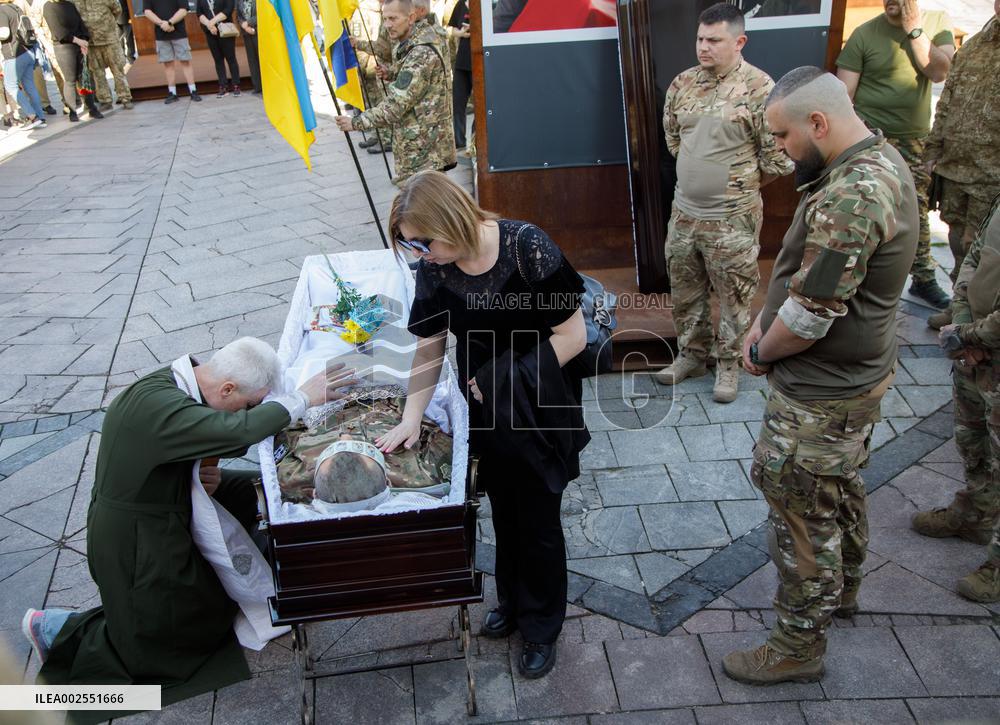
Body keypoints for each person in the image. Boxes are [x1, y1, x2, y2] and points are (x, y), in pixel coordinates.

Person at [20, 338, 358, 722]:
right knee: (163, 647)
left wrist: (203, 470)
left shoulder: (180, 382)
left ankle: (77, 625)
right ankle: (56, 629)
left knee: (247, 508)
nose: (251, 411)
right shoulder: (158, 406)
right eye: (250, 404)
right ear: (227, 388)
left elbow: (215, 434)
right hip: (136, 538)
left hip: (162, 507)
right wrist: (300, 398)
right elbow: (235, 432)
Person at [723, 67, 919, 685]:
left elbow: (811, 314)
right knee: (836, 487)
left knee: (801, 511)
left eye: (782, 138)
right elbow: (805, 282)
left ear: (818, 123)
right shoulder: (877, 159)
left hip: (822, 392)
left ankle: (797, 645)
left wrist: (760, 351)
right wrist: (765, 318)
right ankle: (845, 590)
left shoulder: (855, 192)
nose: (779, 153)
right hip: (853, 379)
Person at [377, 170, 590, 678]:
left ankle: (542, 626)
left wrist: (504, 380)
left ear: (451, 221)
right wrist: (412, 415)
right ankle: (514, 604)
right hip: (484, 410)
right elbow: (429, 346)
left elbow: (573, 335)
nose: (419, 254)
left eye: (422, 242)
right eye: (411, 247)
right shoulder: (436, 268)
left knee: (538, 518)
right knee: (502, 510)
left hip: (538, 404)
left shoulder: (525, 247)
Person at [654, 3, 793, 403]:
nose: (704, 47)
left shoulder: (761, 89)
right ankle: (692, 355)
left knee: (734, 296)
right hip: (684, 215)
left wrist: (735, 187)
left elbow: (777, 158)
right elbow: (673, 140)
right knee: (685, 292)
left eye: (714, 40)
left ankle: (729, 365)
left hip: (732, 219)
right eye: (700, 39)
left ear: (739, 41)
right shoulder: (683, 84)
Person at [836, 0, 955, 310]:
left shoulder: (937, 21)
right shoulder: (864, 33)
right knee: (862, 206)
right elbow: (843, 93)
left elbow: (940, 71)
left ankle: (924, 279)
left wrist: (914, 29)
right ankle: (855, 278)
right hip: (870, 139)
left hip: (914, 141)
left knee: (915, 210)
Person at [911, 195, 999, 603]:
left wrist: (971, 336)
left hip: (984, 344)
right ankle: (977, 513)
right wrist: (963, 325)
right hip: (977, 351)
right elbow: (974, 259)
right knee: (973, 441)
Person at [923, 3, 1000, 331]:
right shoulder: (976, 44)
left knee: (981, 246)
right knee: (956, 237)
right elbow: (948, 99)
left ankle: (978, 318)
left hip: (991, 172)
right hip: (956, 167)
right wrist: (932, 150)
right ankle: (959, 306)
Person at [334, 0, 455, 184]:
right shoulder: (417, 41)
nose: (388, 25)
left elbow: (395, 106)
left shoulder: (420, 52)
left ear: (411, 17)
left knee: (423, 206)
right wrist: (392, 74)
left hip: (423, 151)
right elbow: (420, 80)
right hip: (424, 145)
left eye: (393, 18)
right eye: (385, 19)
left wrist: (356, 122)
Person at [74, 0, 133, 110]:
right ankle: (105, 100)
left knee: (118, 70)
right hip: (91, 43)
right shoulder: (75, 1)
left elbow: (117, 9)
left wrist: (108, 24)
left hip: (109, 39)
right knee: (97, 73)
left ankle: (125, 97)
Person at [43, 0, 96, 120]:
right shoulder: (49, 6)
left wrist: (84, 42)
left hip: (79, 46)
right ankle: (73, 111)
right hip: (64, 47)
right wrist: (79, 41)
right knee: (70, 80)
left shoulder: (70, 4)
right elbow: (58, 32)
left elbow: (81, 25)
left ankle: (92, 108)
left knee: (84, 77)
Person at [0, 0, 46, 128]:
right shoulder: (16, 8)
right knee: (30, 85)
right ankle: (40, 118)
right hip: (28, 51)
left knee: (10, 86)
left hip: (14, 55)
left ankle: (32, 116)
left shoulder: (1, 10)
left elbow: (4, 33)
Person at [144, 0, 201, 103]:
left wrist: (170, 22)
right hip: (161, 34)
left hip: (179, 32)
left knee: (185, 61)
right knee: (168, 64)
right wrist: (162, 24)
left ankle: (193, 91)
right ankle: (172, 93)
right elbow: (147, 11)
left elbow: (183, 10)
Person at [196, 0, 239, 97]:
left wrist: (211, 22)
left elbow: (228, 10)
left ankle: (236, 85)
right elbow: (199, 13)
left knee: (231, 58)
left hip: (225, 30)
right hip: (210, 32)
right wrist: (209, 25)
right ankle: (223, 86)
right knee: (218, 60)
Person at [236, 0, 259, 94]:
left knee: (262, 59)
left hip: (259, 32)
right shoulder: (239, 1)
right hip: (247, 34)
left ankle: (268, 85)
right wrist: (245, 27)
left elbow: (263, 14)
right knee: (252, 60)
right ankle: (257, 86)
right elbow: (238, 16)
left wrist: (249, 22)